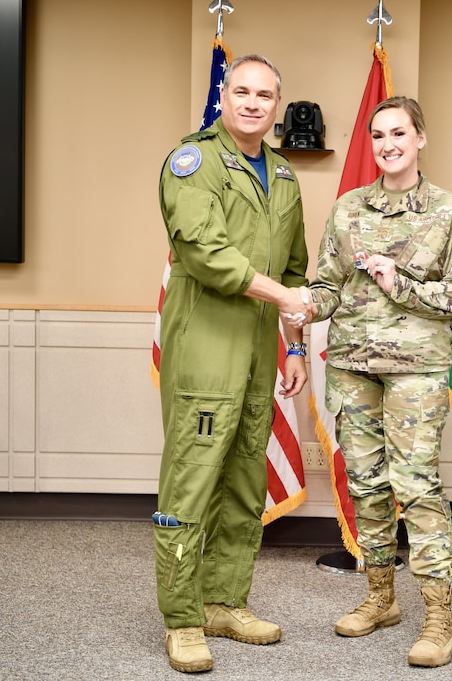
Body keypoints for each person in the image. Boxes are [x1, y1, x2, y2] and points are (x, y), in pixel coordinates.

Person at [295, 96, 452, 668]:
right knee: (366, 485)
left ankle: (438, 618)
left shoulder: (447, 212)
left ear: (420, 138)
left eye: (398, 132)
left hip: (415, 370)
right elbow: (325, 287)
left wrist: (401, 283)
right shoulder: (349, 208)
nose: (387, 144)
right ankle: (380, 598)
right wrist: (303, 309)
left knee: (417, 485)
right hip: (351, 365)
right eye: (378, 135)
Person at [153, 54, 312, 674]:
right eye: (241, 90)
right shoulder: (190, 161)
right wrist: (283, 299)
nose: (252, 102)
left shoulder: (285, 175)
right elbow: (207, 253)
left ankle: (223, 600)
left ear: (278, 106)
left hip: (260, 349)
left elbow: (295, 266)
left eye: (265, 95)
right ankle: (183, 619)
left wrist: (294, 343)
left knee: (245, 477)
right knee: (193, 480)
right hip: (205, 346)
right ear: (224, 94)